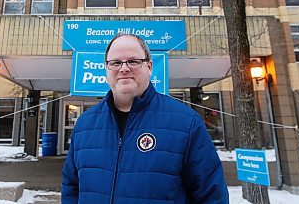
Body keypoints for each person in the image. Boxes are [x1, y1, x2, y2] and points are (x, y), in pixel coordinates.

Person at [62, 33, 229, 203]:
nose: (124, 68)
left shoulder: (187, 123)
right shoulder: (85, 124)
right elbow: (71, 188)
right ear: (106, 68)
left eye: (133, 61)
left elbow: (212, 196)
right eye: (115, 62)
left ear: (149, 66)